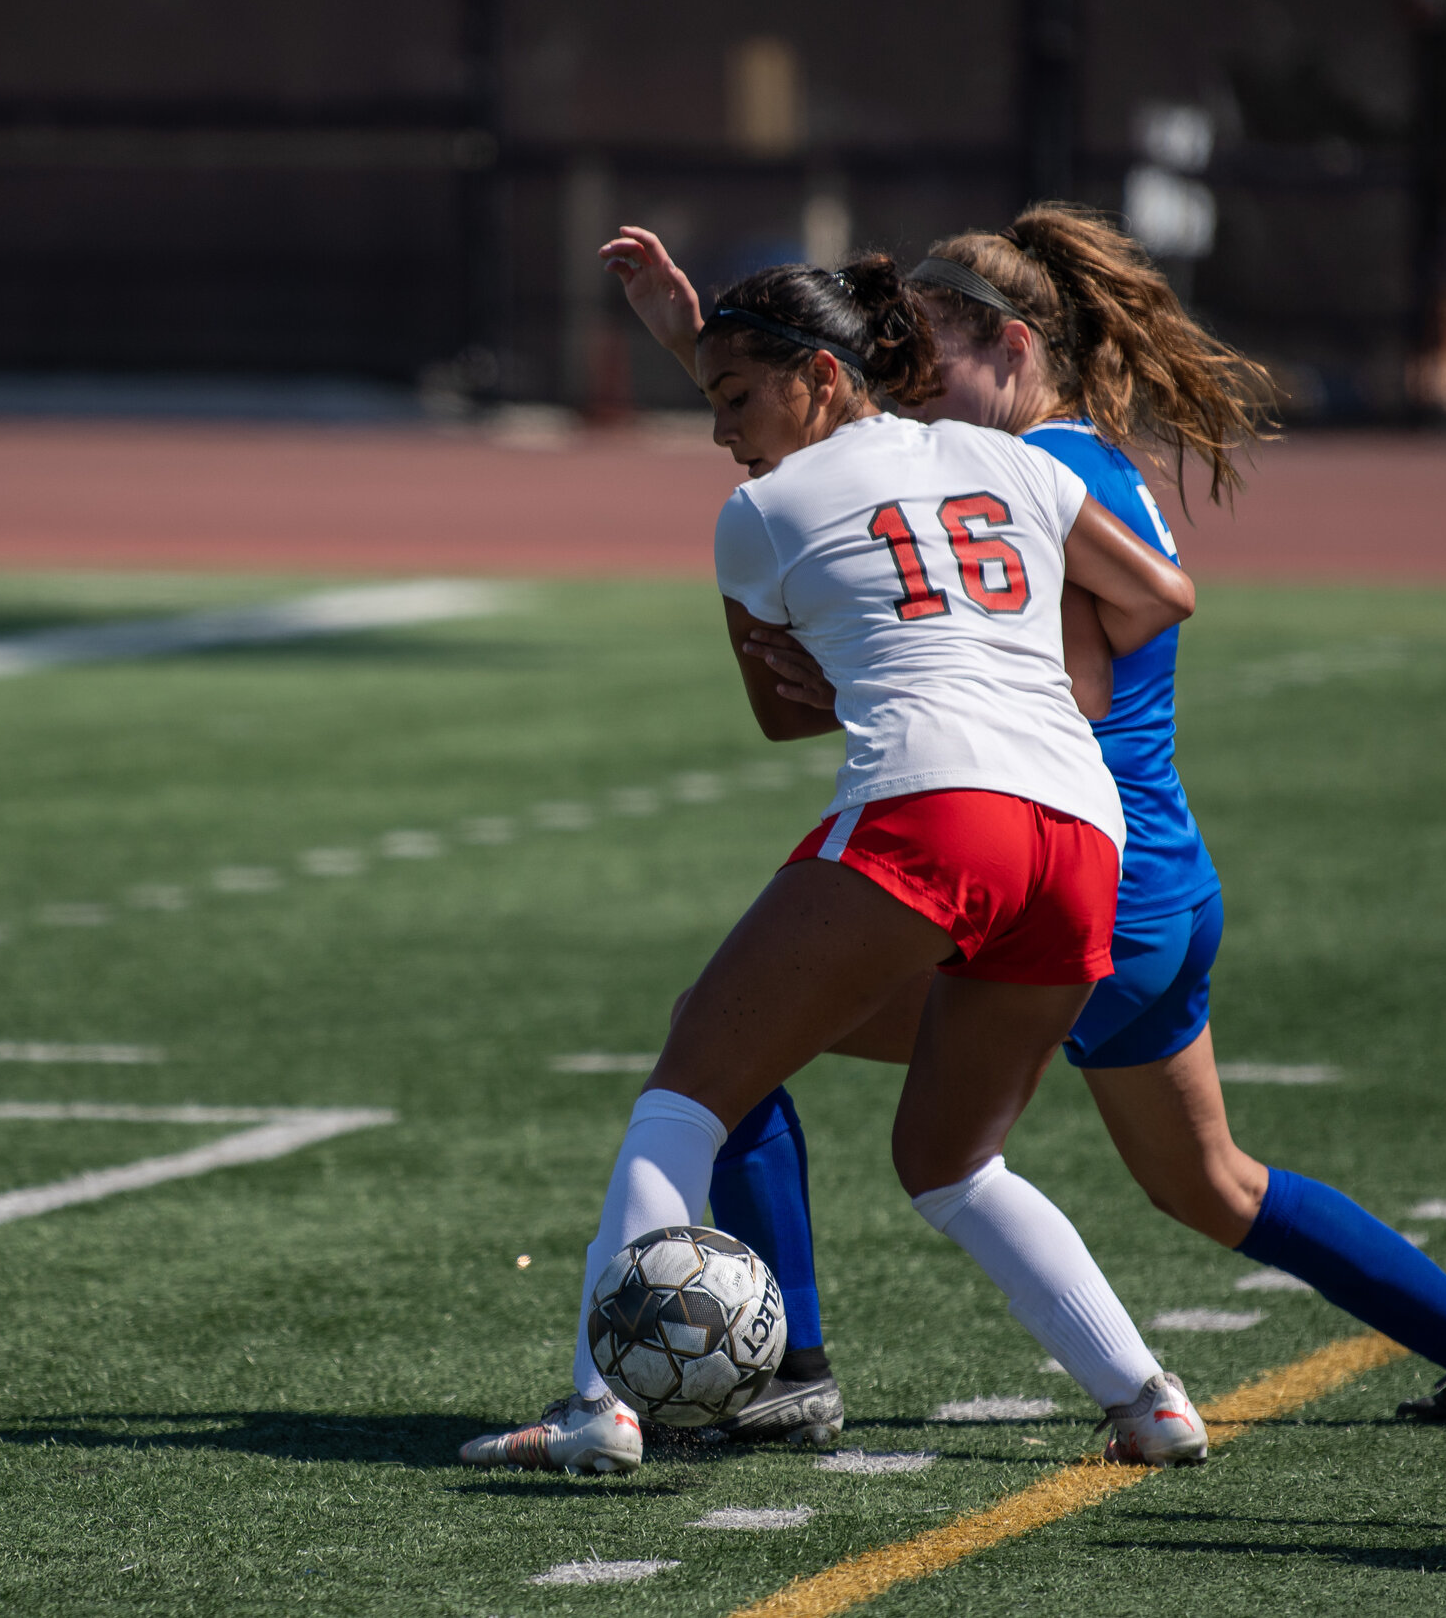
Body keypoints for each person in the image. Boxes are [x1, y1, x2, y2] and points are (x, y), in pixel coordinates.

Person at [605, 207, 1446, 1448]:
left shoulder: (1019, 473)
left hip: (1056, 876)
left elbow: (1039, 652)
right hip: (1161, 887)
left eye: (923, 356)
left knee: (728, 1047)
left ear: (1012, 349)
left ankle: (788, 1363)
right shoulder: (1069, 465)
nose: (900, 381)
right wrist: (702, 346)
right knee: (1210, 1182)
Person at [459, 253, 1209, 1477]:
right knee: (952, 1160)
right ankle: (1145, 1394)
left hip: (933, 804)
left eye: (733, 399)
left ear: (818, 374)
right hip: (1079, 830)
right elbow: (1161, 597)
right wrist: (1010, 644)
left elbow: (779, 708)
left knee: (685, 1084)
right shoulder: (1012, 459)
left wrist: (895, 660)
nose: (719, 433)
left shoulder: (753, 516)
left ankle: (604, 1405)